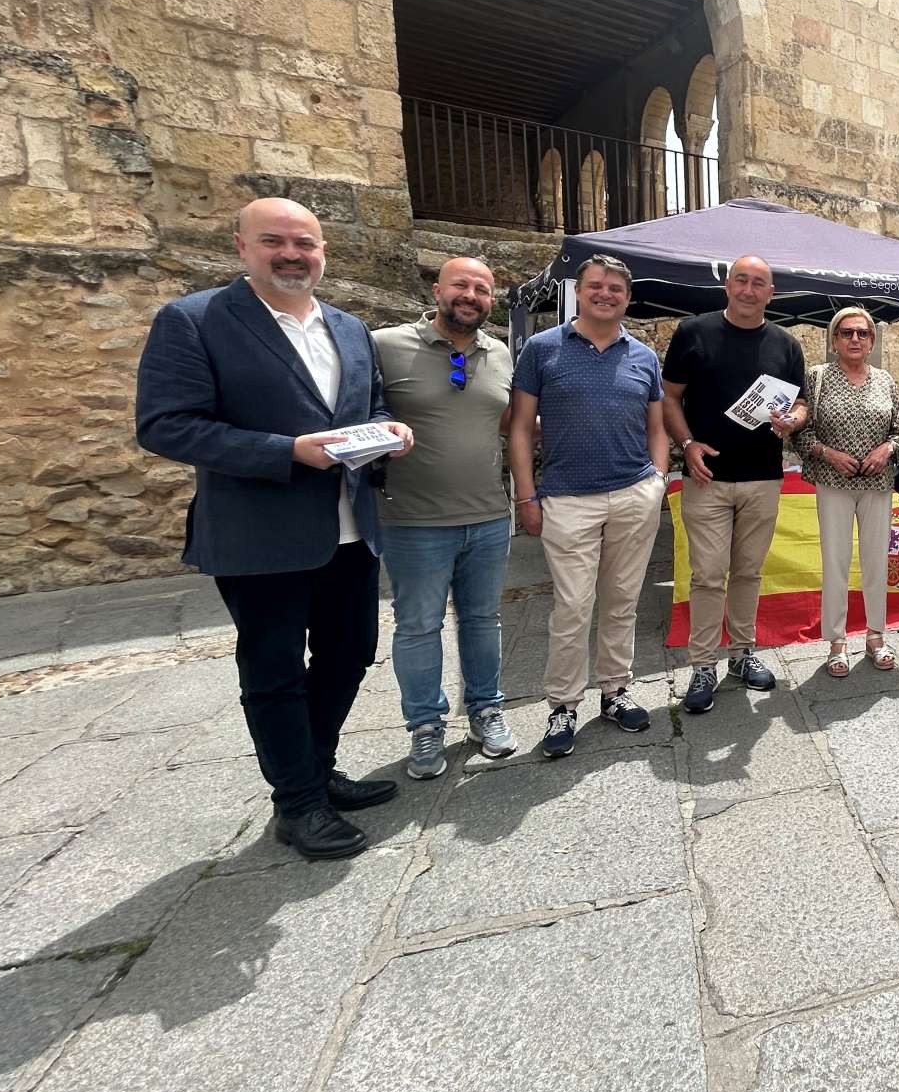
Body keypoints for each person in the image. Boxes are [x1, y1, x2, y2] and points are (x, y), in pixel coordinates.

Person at [135, 198, 413, 861]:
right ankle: (297, 804)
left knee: (348, 655)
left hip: (348, 528)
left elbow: (367, 404)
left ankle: (316, 771)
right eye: (275, 241)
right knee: (275, 670)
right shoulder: (195, 320)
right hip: (260, 532)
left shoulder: (348, 327)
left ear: (322, 252)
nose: (292, 254)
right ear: (242, 247)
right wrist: (286, 451)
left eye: (305, 243)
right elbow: (166, 424)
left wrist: (388, 429)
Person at [508, 255, 669, 758]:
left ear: (627, 297)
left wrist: (658, 481)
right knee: (573, 606)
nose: (606, 294)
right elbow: (518, 428)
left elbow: (657, 427)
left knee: (622, 600)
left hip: (633, 493)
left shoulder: (643, 356)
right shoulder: (542, 349)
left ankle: (615, 690)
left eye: (616, 288)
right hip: (567, 498)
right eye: (596, 286)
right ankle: (563, 703)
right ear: (578, 292)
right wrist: (525, 494)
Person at [372, 258, 518, 779]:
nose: (471, 295)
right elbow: (358, 410)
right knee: (417, 626)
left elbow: (508, 422)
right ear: (438, 290)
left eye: (482, 289)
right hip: (412, 520)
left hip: (486, 513)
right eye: (462, 285)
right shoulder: (385, 345)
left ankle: (485, 709)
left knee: (483, 620)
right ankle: (426, 726)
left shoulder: (498, 353)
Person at [661, 255, 808, 713]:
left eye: (758, 283)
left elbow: (801, 404)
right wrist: (685, 444)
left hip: (763, 477)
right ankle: (703, 665)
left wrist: (794, 421)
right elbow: (668, 397)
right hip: (707, 477)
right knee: (706, 576)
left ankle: (742, 654)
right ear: (727, 286)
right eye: (741, 280)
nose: (748, 289)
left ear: (771, 293)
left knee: (748, 572)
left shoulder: (786, 344)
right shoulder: (693, 332)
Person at [792, 306, 899, 677]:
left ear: (872, 340)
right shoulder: (817, 378)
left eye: (862, 333)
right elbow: (800, 432)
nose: (855, 339)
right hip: (833, 483)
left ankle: (876, 635)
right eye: (846, 333)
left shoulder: (886, 380)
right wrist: (829, 454)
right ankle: (837, 640)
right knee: (836, 562)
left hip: (877, 484)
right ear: (833, 339)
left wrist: (886, 449)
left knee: (876, 561)